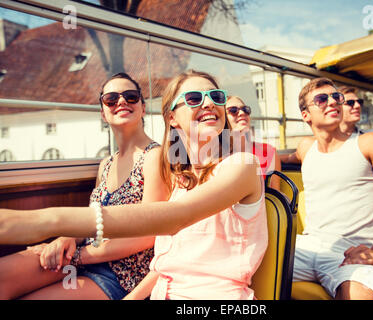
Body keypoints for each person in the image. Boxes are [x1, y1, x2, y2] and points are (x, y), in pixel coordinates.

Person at [0, 70, 268, 300]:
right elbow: (166, 265)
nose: (209, 104)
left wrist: (51, 221)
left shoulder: (243, 166)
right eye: (195, 98)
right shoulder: (180, 180)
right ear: (172, 118)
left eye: (216, 97)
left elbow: (175, 218)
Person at [0, 72, 169, 300]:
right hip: (83, 258)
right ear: (102, 112)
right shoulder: (106, 164)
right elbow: (92, 218)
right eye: (111, 99)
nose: (121, 102)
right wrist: (67, 239)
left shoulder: (155, 157)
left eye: (130, 97)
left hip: (119, 274)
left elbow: (149, 234)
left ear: (142, 107)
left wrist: (79, 255)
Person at [288, 77, 373, 300]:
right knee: (239, 269)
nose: (333, 102)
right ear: (306, 115)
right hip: (306, 247)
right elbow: (279, 158)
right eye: (322, 99)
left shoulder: (371, 143)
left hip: (351, 251)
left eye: (336, 97)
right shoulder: (306, 148)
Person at [225, 95, 281, 190]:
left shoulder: (268, 151)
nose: (242, 113)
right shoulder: (216, 154)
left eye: (245, 109)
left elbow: (275, 195)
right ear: (223, 118)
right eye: (233, 110)